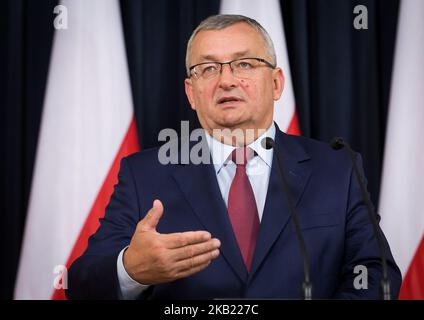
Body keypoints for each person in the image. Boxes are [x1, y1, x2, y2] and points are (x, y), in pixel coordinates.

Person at [66, 14, 401, 299]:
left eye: (244, 64)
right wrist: (131, 270)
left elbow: (376, 275)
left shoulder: (337, 169)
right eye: (208, 68)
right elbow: (82, 283)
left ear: (276, 83)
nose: (226, 80)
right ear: (191, 92)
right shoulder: (144, 174)